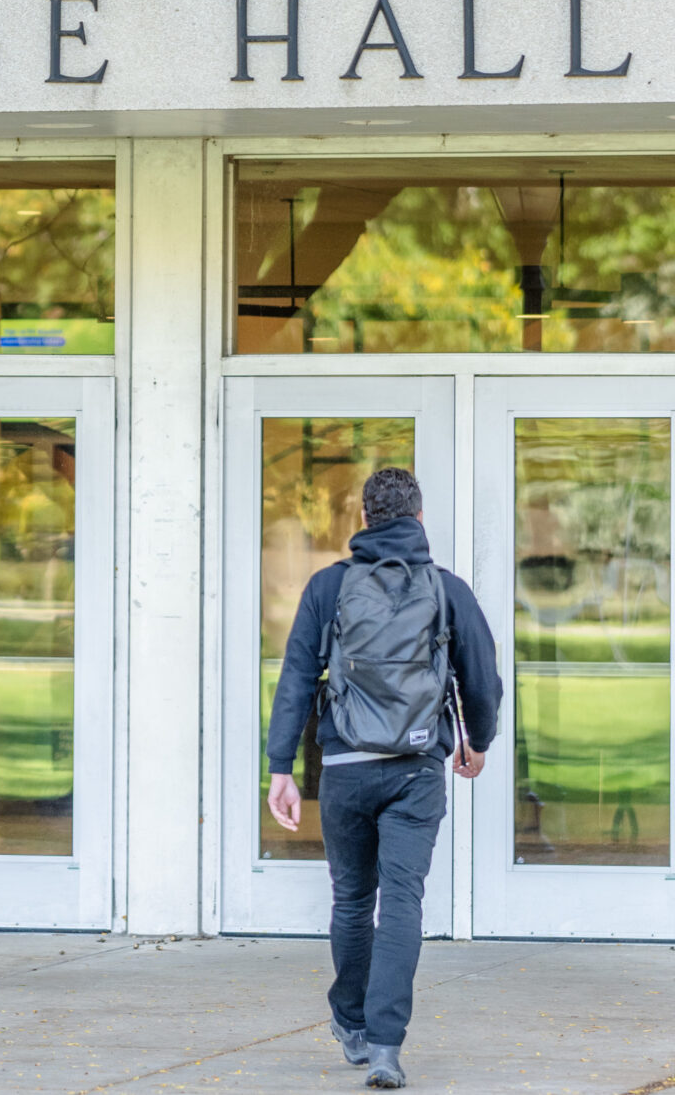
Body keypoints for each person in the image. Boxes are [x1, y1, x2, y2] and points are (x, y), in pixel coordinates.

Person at [266, 466, 501, 1090]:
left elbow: (294, 679)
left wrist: (280, 768)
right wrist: (478, 741)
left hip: (343, 767)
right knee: (402, 904)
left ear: (363, 521)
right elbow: (482, 677)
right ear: (419, 520)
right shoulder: (447, 589)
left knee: (351, 899)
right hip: (416, 771)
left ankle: (351, 1022)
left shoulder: (328, 587)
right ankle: (386, 1047)